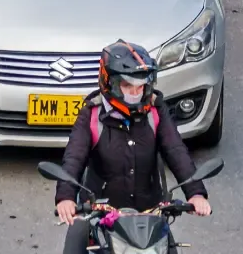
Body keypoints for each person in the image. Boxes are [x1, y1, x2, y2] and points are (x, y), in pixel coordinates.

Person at [52, 42, 212, 254]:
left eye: (140, 87)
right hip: (100, 216)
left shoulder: (155, 111)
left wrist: (195, 193)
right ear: (110, 83)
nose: (136, 93)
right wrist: (66, 198)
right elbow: (73, 158)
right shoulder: (91, 115)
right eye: (128, 87)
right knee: (74, 243)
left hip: (149, 215)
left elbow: (176, 150)